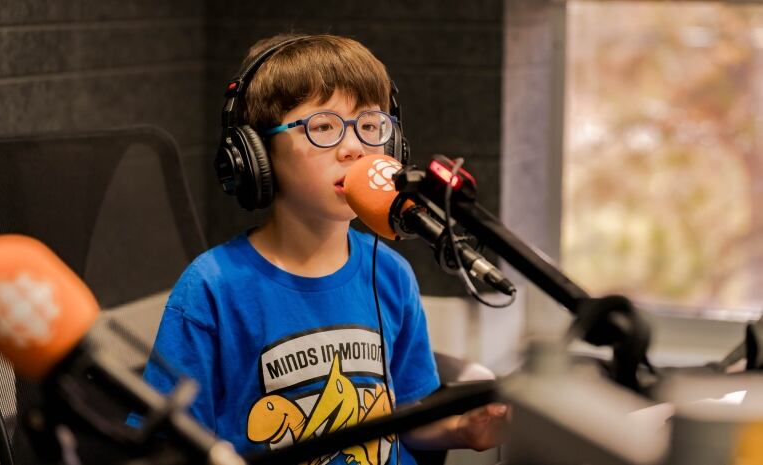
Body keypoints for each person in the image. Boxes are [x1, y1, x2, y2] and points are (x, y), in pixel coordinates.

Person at [138, 33, 507, 465]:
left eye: (370, 126)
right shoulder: (213, 288)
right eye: (324, 127)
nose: (354, 148)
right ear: (254, 154)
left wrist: (462, 428)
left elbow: (406, 414)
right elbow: (166, 444)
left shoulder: (389, 273)